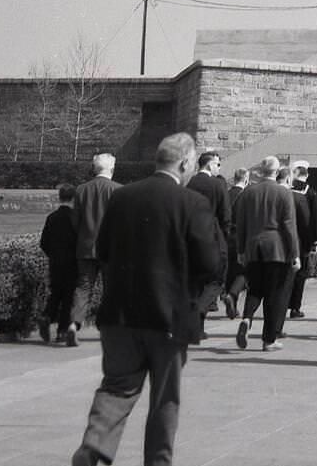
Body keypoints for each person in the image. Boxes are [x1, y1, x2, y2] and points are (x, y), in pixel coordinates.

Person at [69, 132, 220, 466]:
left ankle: (95, 443)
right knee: (165, 396)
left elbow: (104, 250)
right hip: (170, 315)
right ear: (184, 162)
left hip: (120, 312)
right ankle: (158, 461)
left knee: (117, 385)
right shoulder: (192, 203)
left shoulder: (122, 197)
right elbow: (210, 263)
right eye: (193, 163)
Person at [233, 155, 299, 351]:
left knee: (255, 288)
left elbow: (241, 223)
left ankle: (246, 318)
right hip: (276, 247)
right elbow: (288, 225)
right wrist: (294, 253)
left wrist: (241, 249)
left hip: (253, 246)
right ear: (277, 172)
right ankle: (268, 339)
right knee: (274, 294)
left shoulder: (247, 193)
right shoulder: (283, 193)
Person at [66, 151, 119, 346]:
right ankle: (107, 327)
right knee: (110, 290)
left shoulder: (81, 190)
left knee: (83, 287)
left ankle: (74, 323)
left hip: (86, 247)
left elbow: (75, 220)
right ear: (112, 168)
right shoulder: (118, 190)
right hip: (110, 249)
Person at [186, 149, 229, 336]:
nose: (219, 168)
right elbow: (226, 215)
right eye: (218, 164)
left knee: (194, 283)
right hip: (213, 237)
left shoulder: (187, 183)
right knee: (215, 281)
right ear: (210, 164)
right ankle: (200, 313)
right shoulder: (217, 185)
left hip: (190, 238)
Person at [38, 183, 77, 343]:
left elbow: (44, 242)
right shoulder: (77, 217)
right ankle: (61, 331)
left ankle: (47, 315)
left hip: (55, 261)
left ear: (59, 197)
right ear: (74, 198)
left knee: (55, 293)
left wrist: (53, 255)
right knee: (68, 297)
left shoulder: (52, 217)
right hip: (73, 262)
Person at [287, 160, 317, 319]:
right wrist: (314, 241)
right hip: (301, 241)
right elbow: (313, 220)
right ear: (306, 175)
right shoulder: (310, 193)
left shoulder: (286, 190)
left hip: (284, 240)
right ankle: (295, 307)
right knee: (300, 275)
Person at [222, 166, 249, 318]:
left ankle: (230, 303)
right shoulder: (245, 195)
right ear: (245, 178)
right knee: (243, 271)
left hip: (226, 236)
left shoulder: (226, 193)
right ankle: (232, 295)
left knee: (230, 270)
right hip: (240, 236)